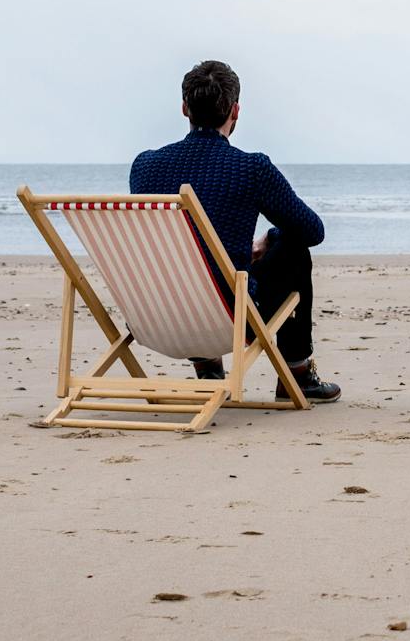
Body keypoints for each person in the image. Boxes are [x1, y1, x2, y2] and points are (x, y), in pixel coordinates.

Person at [129, 59, 341, 403]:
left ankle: (209, 369)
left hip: (156, 316)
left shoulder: (145, 166)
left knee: (190, 270)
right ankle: (297, 375)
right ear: (236, 110)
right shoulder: (250, 167)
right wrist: (270, 239)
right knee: (292, 246)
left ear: (185, 108)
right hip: (228, 317)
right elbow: (312, 230)